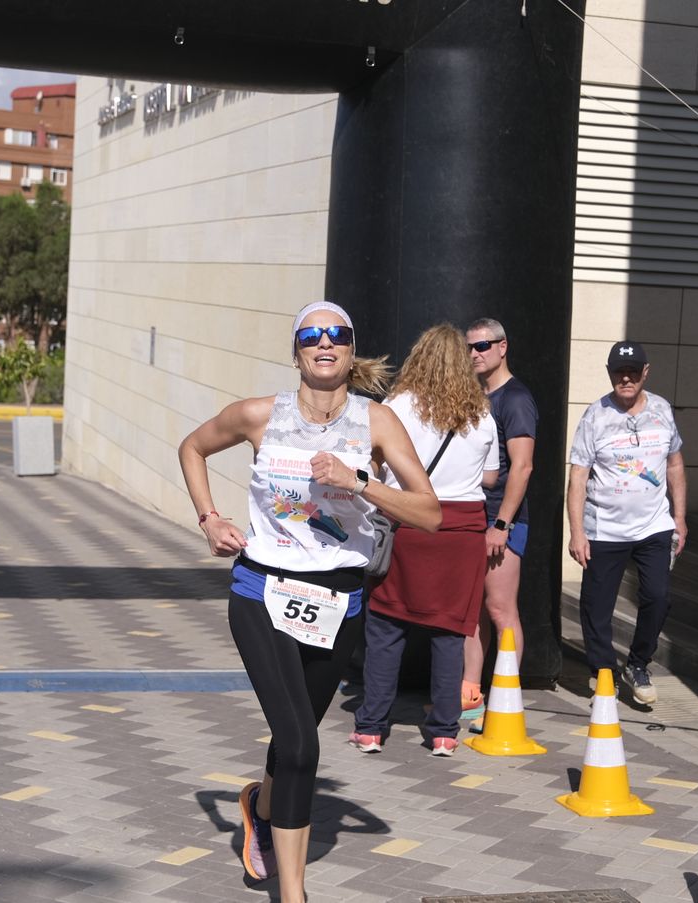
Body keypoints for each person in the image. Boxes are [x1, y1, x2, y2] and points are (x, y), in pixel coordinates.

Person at [177, 301, 439, 901]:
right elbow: (193, 448)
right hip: (262, 590)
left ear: (351, 350)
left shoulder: (376, 424)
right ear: (296, 350)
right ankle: (292, 894)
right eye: (312, 335)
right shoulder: (257, 416)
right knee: (300, 744)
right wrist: (210, 519)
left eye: (338, 335)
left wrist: (360, 483)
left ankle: (258, 806)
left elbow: (430, 513)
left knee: (292, 737)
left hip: (338, 601)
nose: (325, 343)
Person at [350, 324, 498, 757]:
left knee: (385, 628)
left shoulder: (396, 406)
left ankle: (372, 727)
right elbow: (490, 477)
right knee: (450, 634)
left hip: (408, 522)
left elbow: (373, 463)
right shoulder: (481, 414)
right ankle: (443, 733)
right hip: (462, 534)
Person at [566, 340, 687, 706]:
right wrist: (577, 531)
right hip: (605, 528)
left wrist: (679, 518)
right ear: (610, 374)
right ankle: (602, 670)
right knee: (596, 605)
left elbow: (675, 465)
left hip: (654, 526)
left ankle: (637, 664)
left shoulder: (662, 410)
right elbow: (578, 476)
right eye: (619, 372)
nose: (626, 378)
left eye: (633, 372)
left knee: (658, 596)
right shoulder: (595, 416)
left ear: (645, 373)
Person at [460, 317, 536, 720]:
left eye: (483, 346)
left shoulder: (516, 399)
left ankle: (505, 703)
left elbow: (522, 467)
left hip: (501, 522)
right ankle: (472, 700)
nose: (475, 353)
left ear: (503, 347)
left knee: (501, 610)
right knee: (472, 611)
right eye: (470, 347)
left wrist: (501, 525)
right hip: (473, 516)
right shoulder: (476, 396)